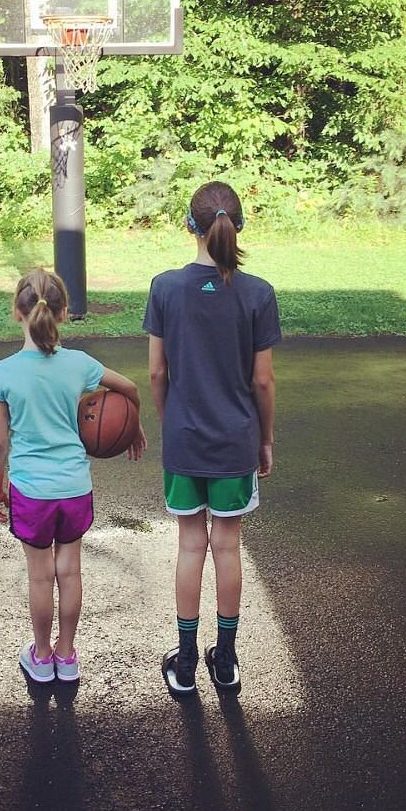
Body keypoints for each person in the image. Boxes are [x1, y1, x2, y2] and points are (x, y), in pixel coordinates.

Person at [0, 268, 146, 684]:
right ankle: (67, 655)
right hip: (74, 487)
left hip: (31, 491)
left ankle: (40, 656)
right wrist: (132, 425)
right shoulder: (80, 365)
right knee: (69, 572)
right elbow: (129, 387)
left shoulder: (2, 373)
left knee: (41, 575)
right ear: (65, 313)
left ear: (16, 313)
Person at [148, 181, 279, 696]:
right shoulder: (257, 293)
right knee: (227, 547)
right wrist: (264, 440)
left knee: (189, 546)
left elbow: (157, 374)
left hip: (185, 440)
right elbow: (262, 381)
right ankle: (224, 660)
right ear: (238, 226)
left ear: (189, 226)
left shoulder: (164, 287)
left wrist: (171, 420)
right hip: (234, 443)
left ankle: (184, 662)